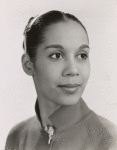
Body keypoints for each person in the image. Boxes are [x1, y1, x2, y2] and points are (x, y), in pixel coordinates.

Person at [5, 10, 117, 150]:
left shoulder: (107, 141)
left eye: (82, 55)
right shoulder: (18, 136)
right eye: (57, 55)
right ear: (28, 64)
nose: (73, 70)